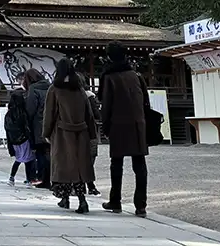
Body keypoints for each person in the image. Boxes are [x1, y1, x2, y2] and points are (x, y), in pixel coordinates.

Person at [99, 42, 150, 218]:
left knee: (116, 164)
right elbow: (145, 101)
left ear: (109, 57)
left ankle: (116, 200)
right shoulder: (136, 75)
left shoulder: (109, 77)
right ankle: (141, 205)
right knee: (139, 165)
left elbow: (106, 104)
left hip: (118, 123)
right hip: (138, 123)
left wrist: (105, 126)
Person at [43, 58, 97, 214]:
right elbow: (89, 114)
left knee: (64, 167)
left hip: (62, 133)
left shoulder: (54, 89)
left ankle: (66, 198)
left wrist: (46, 133)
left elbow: (49, 114)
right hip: (81, 133)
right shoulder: (79, 89)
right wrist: (92, 133)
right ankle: (81, 199)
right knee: (78, 167)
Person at [24, 68, 51, 188]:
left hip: (38, 124)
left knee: (41, 153)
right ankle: (52, 178)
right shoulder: (50, 86)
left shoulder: (33, 89)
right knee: (50, 152)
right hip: (51, 123)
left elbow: (30, 109)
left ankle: (43, 179)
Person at [5, 87, 35, 187]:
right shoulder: (22, 112)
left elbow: (7, 128)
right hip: (24, 139)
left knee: (18, 159)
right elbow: (26, 127)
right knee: (28, 160)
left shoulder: (9, 114)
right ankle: (28, 180)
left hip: (14, 140)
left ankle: (11, 177)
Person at [80, 74, 102, 196]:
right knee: (89, 160)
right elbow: (96, 114)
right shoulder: (89, 96)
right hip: (90, 131)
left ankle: (81, 185)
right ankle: (90, 185)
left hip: (75, 132)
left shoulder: (67, 96)